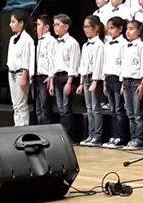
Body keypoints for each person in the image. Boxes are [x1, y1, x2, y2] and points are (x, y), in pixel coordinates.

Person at [49, 14, 80, 142]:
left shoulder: (72, 43)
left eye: (57, 25)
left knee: (66, 108)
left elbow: (74, 63)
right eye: (54, 25)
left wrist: (70, 81)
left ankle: (69, 137)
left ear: (66, 27)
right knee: (60, 108)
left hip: (67, 77)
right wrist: (51, 80)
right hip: (57, 77)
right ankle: (62, 135)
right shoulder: (54, 43)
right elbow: (52, 62)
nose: (55, 27)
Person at [77, 15, 105, 146]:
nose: (85, 29)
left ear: (96, 28)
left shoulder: (99, 45)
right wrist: (81, 82)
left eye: (88, 26)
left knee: (95, 108)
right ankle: (90, 134)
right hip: (87, 77)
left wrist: (95, 81)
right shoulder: (85, 45)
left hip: (95, 78)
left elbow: (98, 64)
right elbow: (83, 65)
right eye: (84, 27)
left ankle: (97, 136)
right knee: (88, 109)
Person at [121, 20, 143, 150]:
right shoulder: (125, 46)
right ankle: (132, 138)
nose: (128, 32)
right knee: (130, 113)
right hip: (126, 81)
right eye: (127, 29)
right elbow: (123, 65)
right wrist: (122, 82)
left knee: (137, 114)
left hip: (136, 82)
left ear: (138, 31)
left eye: (131, 29)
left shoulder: (141, 46)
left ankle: (139, 139)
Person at [102, 17, 127, 148]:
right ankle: (114, 135)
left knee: (119, 109)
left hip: (118, 79)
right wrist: (104, 80)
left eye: (112, 28)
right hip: (109, 77)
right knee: (112, 109)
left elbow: (124, 63)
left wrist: (122, 81)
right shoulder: (107, 44)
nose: (109, 31)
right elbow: (105, 62)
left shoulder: (123, 44)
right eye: (108, 28)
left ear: (120, 29)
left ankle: (120, 136)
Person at [7, 10, 33, 126]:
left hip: (20, 73)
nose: (10, 24)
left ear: (21, 23)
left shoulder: (27, 40)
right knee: (15, 104)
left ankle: (23, 127)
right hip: (11, 73)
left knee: (22, 103)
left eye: (13, 22)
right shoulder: (12, 39)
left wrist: (24, 77)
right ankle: (17, 126)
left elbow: (26, 60)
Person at [31, 14, 56, 124]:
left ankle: (46, 128)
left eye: (39, 25)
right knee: (37, 106)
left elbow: (52, 60)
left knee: (45, 106)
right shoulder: (36, 41)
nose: (36, 27)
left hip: (45, 77)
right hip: (35, 77)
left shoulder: (51, 41)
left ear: (46, 27)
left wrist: (51, 76)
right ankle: (38, 128)